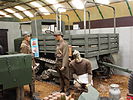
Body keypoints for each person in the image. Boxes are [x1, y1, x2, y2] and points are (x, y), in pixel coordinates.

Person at [54, 30, 70, 95]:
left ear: (59, 36)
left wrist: (64, 65)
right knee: (60, 77)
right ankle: (62, 89)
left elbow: (66, 55)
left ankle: (68, 91)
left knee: (66, 77)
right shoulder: (58, 43)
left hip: (62, 62)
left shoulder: (64, 44)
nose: (55, 37)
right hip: (58, 62)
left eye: (55, 36)